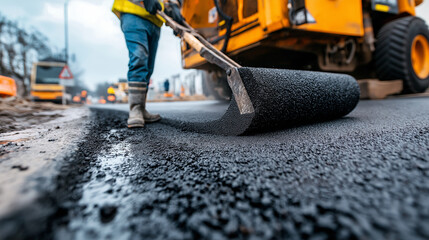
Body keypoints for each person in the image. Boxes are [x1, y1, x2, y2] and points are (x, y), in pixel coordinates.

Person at [112, 0, 184, 128]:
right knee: (139, 58)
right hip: (133, 12)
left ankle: (141, 108)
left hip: (155, 19)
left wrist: (173, 6)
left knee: (149, 66)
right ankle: (135, 109)